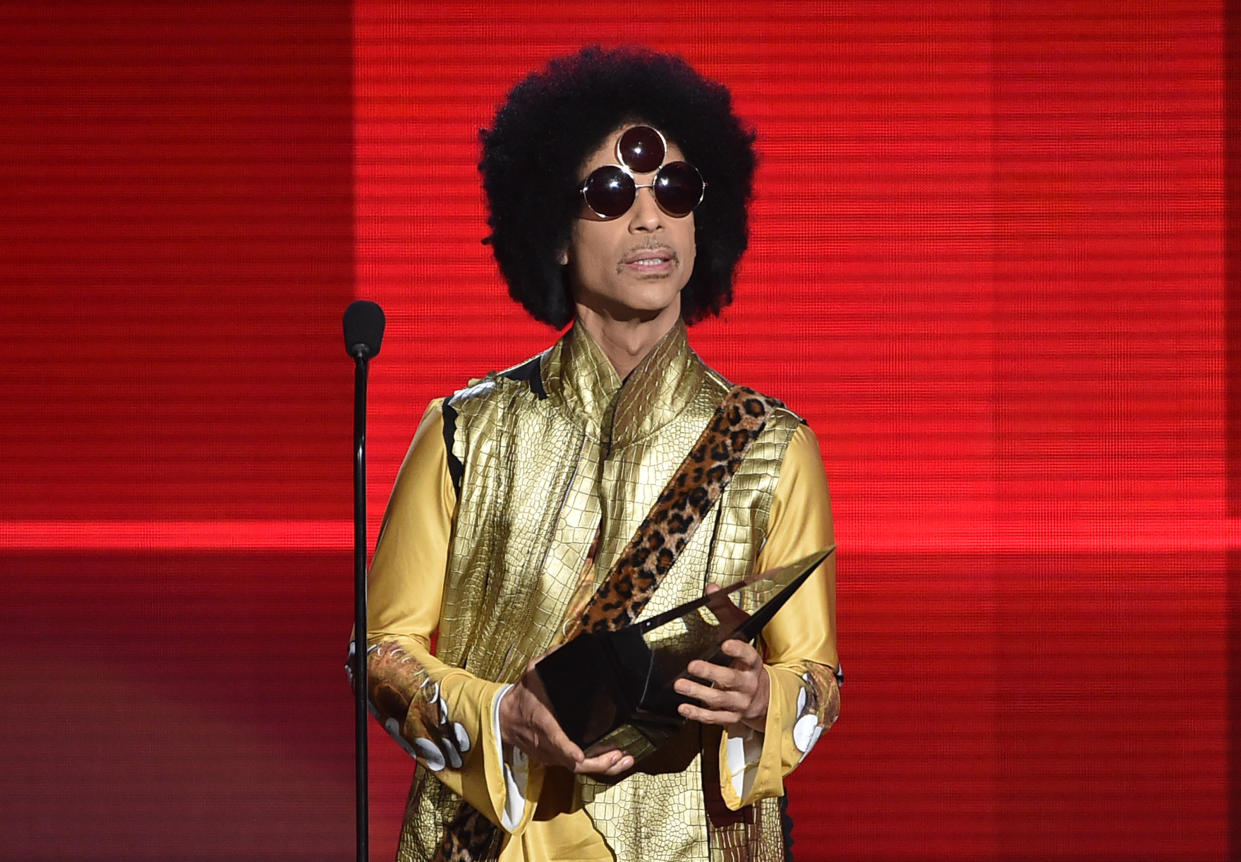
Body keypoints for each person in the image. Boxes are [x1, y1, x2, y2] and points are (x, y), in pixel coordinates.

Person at [357, 46, 840, 862]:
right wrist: (498, 715)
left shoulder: (770, 447)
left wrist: (766, 696)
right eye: (611, 196)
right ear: (552, 232)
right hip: (495, 845)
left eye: (675, 193)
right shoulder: (464, 433)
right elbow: (379, 653)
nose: (650, 219)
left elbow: (819, 679)